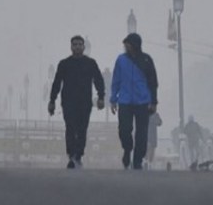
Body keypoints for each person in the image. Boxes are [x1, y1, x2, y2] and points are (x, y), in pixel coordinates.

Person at [48, 35, 105, 169]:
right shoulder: (64, 64)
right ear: (71, 47)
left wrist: (101, 97)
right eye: (75, 44)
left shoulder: (90, 63)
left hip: (85, 102)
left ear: (84, 47)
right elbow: (57, 83)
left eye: (80, 44)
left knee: (82, 129)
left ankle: (78, 154)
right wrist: (52, 100)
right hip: (68, 102)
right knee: (70, 128)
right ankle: (71, 154)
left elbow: (98, 80)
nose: (77, 47)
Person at [110, 33, 158, 170]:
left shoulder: (146, 60)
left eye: (128, 44)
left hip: (142, 101)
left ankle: (138, 160)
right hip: (124, 101)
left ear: (135, 45)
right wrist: (113, 99)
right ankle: (127, 148)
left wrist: (154, 101)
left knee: (142, 133)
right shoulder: (121, 60)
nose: (126, 46)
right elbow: (116, 80)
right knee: (124, 129)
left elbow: (153, 82)